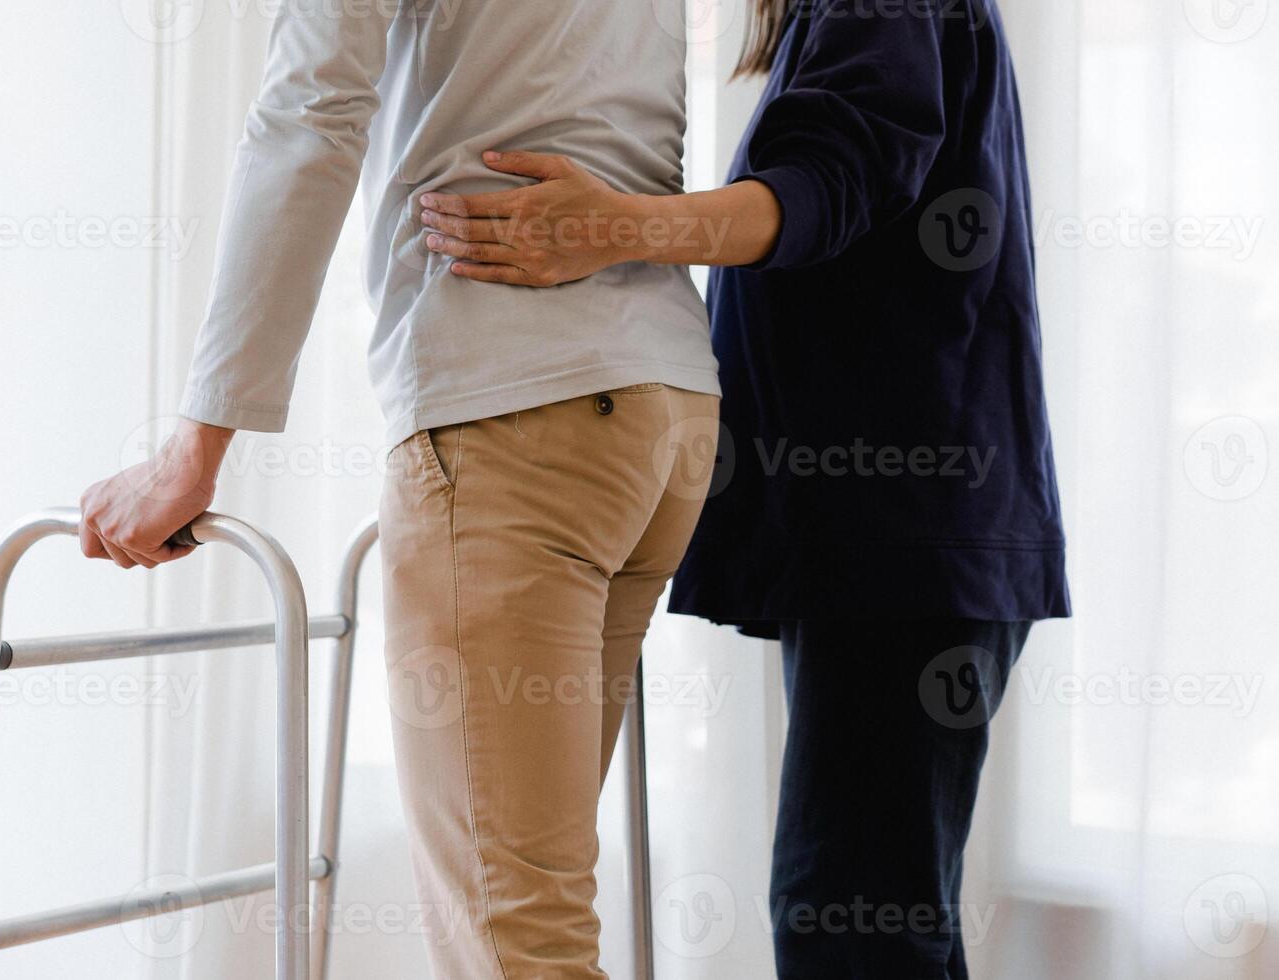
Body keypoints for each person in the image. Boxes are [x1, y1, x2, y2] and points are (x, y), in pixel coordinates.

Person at [419, 0, 1071, 976]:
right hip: (907, 536)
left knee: (848, 923)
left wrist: (612, 225)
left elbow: (826, 182)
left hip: (908, 537)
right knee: (878, 916)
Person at [77, 2, 721, 977]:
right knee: (534, 898)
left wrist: (192, 451)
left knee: (517, 938)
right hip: (660, 413)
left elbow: (309, 115)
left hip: (511, 416)